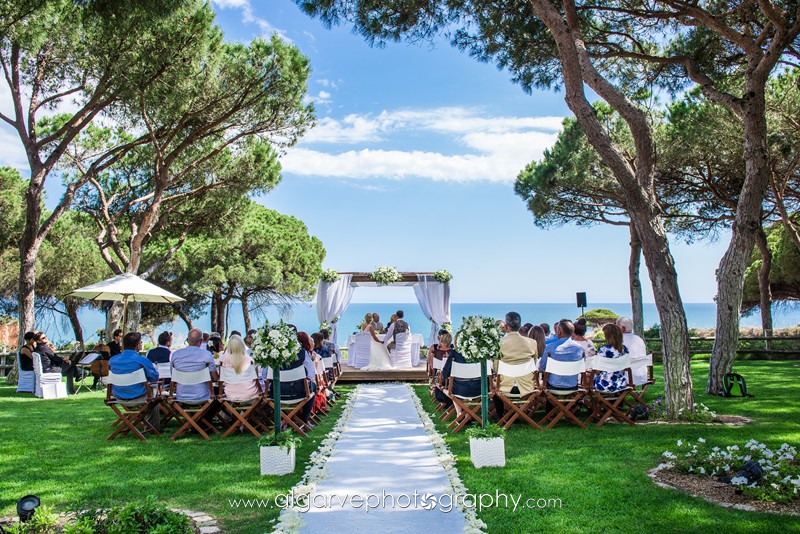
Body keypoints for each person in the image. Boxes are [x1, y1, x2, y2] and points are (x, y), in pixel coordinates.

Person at [108, 332, 160, 430]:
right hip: (138, 396)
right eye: (141, 342)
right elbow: (154, 378)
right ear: (137, 345)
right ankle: (152, 426)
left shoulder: (112, 360)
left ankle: (138, 420)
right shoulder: (141, 360)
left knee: (151, 390)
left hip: (118, 395)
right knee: (154, 389)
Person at [493, 311, 538, 419]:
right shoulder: (532, 343)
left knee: (493, 386)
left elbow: (496, 368)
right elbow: (534, 364)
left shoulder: (498, 343)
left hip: (505, 386)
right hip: (527, 386)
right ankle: (520, 411)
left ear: (506, 327)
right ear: (520, 326)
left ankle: (502, 416)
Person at [171, 328, 218, 402]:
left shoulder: (175, 355)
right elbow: (215, 378)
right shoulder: (206, 355)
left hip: (181, 396)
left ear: (187, 340)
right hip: (202, 396)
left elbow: (173, 375)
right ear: (201, 341)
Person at [538, 320, 584, 389]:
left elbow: (542, 368)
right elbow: (582, 367)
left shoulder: (550, 348)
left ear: (559, 331)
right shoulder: (580, 348)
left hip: (553, 386)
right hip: (573, 386)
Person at [219, 335, 260, 400]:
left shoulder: (223, 361)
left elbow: (221, 379)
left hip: (230, 394)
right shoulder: (250, 360)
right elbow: (256, 378)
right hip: (250, 394)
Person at [594, 323, 630, 392]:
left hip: (604, 384)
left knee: (588, 377)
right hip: (621, 383)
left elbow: (597, 370)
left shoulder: (604, 350)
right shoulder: (624, 349)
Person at [617, 317, 648, 384]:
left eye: (617, 327)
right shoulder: (639, 339)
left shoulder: (619, 340)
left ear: (623, 328)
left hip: (627, 377)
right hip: (643, 376)